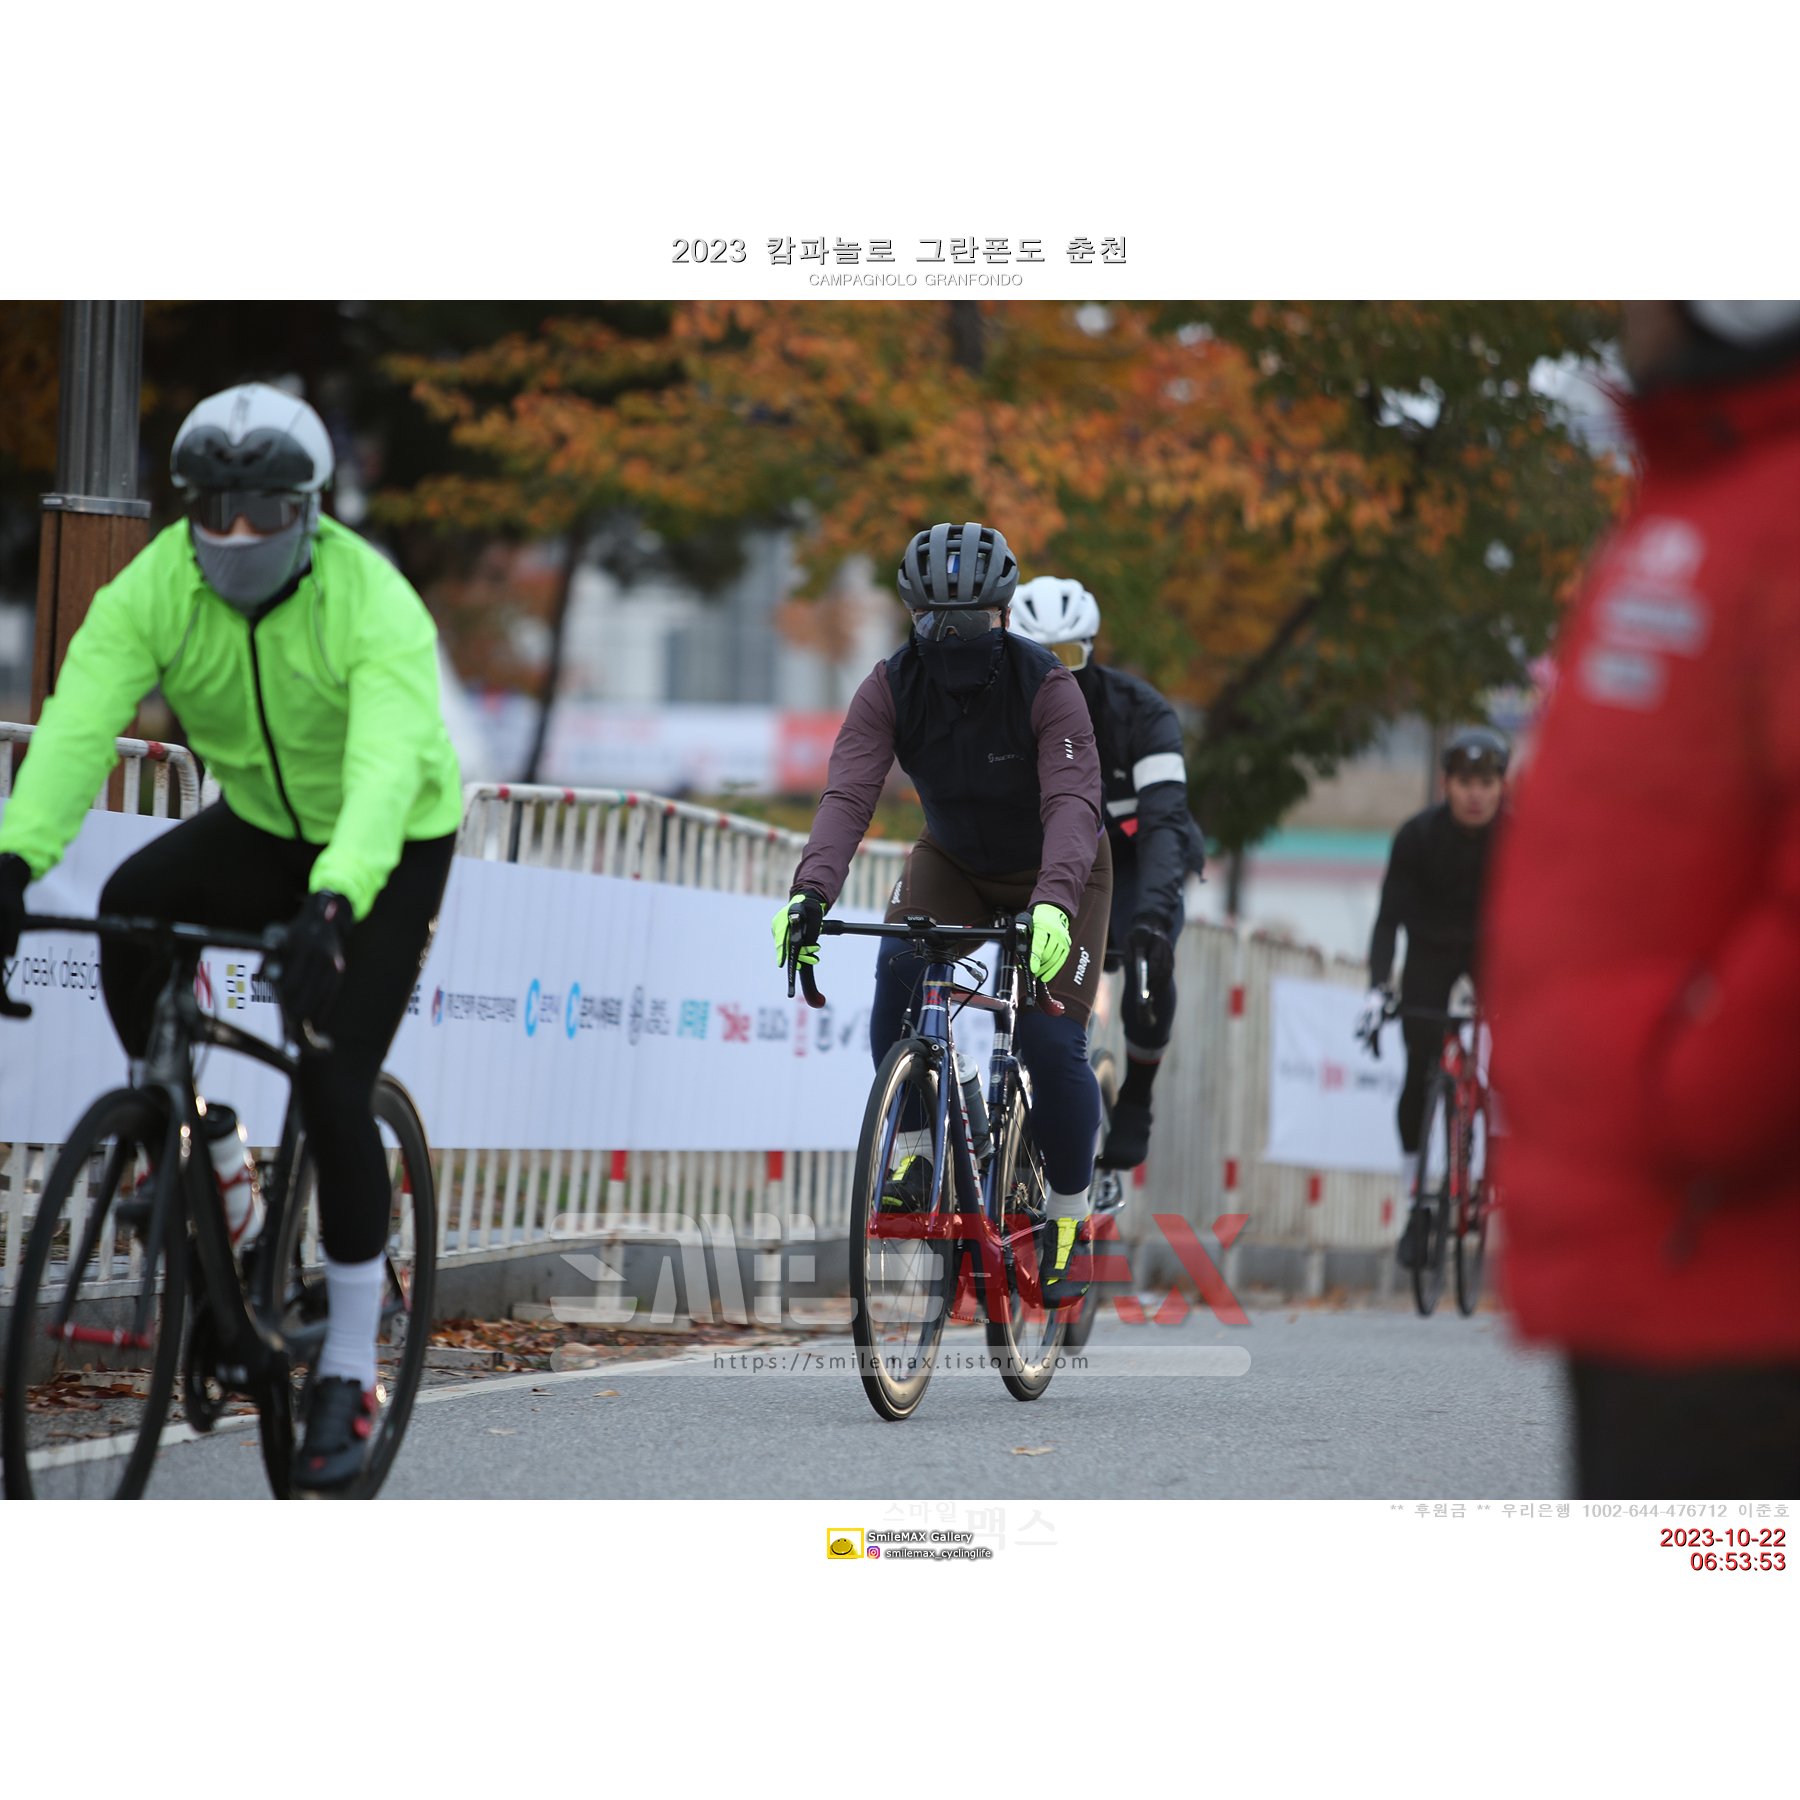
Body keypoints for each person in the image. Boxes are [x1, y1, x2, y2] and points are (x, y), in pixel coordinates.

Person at [0, 382, 463, 1495]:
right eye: (215, 512)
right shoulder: (156, 586)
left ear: (312, 512)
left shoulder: (375, 603)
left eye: (265, 514)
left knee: (335, 1082)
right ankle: (204, 1148)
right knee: (129, 905)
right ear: (187, 509)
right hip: (260, 823)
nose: (239, 535)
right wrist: (13, 861)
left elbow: (384, 766)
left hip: (390, 842)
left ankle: (347, 1367)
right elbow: (78, 722)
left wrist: (337, 901)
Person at [1484, 300, 1800, 1498]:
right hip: (1666, 1251)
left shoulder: (1772, 504)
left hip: (1735, 1260)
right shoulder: (1705, 491)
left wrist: (1705, 1094)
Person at [771, 522, 1109, 1308]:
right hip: (955, 861)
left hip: (1061, 871)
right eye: (933, 621)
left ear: (1004, 616)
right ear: (911, 617)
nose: (951, 637)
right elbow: (848, 794)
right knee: (897, 977)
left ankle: (1067, 1214)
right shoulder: (889, 686)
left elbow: (1072, 802)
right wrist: (810, 892)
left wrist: (1055, 905)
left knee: (1050, 1040)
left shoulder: (1047, 686)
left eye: (971, 621)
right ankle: (920, 1142)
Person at [1005, 575, 1206, 1167]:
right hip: (1055, 857)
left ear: (1090, 648)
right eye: (1040, 656)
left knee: (1147, 961)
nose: (1055, 672)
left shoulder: (1143, 715)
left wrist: (1153, 918)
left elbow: (1165, 824)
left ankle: (1137, 1097)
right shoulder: (1006, 712)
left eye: (1067, 655)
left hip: (1138, 858)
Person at [1355, 726, 1508, 1267]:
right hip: (1429, 953)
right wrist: (1377, 989)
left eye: (1486, 783)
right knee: (1420, 1068)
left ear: (1502, 786)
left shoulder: (1520, 836)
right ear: (1446, 783)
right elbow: (1387, 921)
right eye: (1465, 782)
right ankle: (1418, 1201)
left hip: (1495, 954)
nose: (1475, 794)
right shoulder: (1417, 836)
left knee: (1513, 1062)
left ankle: (1500, 1178)